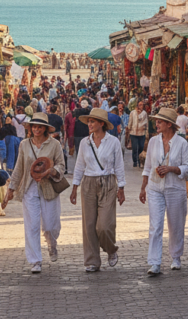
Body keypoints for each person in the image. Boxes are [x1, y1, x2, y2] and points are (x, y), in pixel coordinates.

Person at [3, 113, 65, 274]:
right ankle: (35, 260)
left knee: (51, 226)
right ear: (30, 128)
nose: (36, 129)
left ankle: (52, 244)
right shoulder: (24, 144)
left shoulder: (55, 144)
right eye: (34, 126)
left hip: (49, 188)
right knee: (32, 225)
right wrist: (11, 189)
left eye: (40, 126)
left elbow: (61, 165)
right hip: (29, 189)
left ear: (45, 128)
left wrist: (52, 171)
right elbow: (19, 168)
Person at [70, 108, 126, 272]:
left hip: (108, 182)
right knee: (89, 225)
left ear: (102, 124)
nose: (89, 124)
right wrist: (74, 187)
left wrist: (121, 187)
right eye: (89, 121)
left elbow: (119, 166)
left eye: (93, 121)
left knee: (104, 225)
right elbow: (79, 166)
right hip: (88, 183)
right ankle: (92, 260)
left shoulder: (113, 142)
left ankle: (111, 249)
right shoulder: (84, 143)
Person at [139, 108, 188, 276]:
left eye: (160, 121)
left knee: (175, 224)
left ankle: (176, 257)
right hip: (155, 187)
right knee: (155, 225)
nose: (157, 124)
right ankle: (154, 262)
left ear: (169, 124)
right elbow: (147, 166)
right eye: (157, 121)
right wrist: (143, 187)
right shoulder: (154, 142)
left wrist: (172, 169)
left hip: (175, 188)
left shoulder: (181, 143)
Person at [126, 102, 149, 168]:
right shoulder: (133, 113)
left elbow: (146, 123)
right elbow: (130, 122)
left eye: (142, 105)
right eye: (139, 105)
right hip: (133, 133)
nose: (140, 106)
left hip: (141, 133)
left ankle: (140, 162)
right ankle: (135, 161)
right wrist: (129, 129)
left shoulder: (144, 113)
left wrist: (147, 133)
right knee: (134, 147)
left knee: (141, 147)